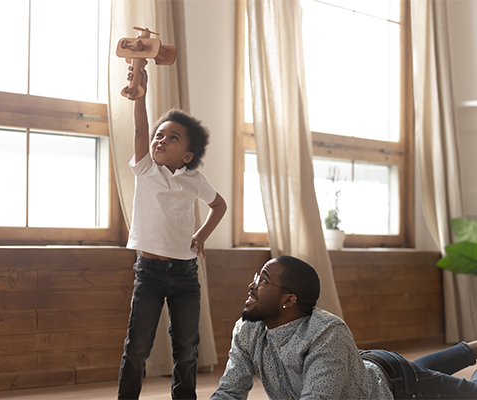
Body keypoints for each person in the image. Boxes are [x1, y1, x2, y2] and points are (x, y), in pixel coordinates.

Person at [210, 255, 477, 399]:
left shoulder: (326, 332)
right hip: (364, 365)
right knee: (420, 371)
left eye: (263, 280)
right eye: (256, 277)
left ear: (289, 300)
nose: (252, 284)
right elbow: (230, 391)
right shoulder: (248, 330)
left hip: (395, 387)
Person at [117, 65, 227, 400]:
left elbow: (219, 205)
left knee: (187, 349)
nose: (160, 139)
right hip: (148, 273)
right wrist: (141, 95)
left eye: (172, 137)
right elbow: (139, 130)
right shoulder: (146, 169)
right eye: (159, 135)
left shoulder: (194, 180)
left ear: (188, 155)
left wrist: (201, 235)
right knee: (137, 348)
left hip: (185, 275)